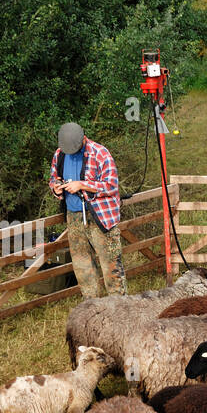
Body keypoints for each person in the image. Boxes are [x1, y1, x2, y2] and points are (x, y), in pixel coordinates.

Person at [48, 122, 126, 297]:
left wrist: (82, 185)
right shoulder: (59, 154)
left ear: (83, 139)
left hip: (100, 216)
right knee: (83, 267)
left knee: (111, 265)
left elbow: (111, 186)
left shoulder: (100, 154)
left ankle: (120, 308)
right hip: (74, 217)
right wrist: (56, 188)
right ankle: (92, 307)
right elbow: (53, 179)